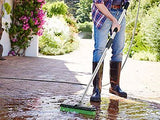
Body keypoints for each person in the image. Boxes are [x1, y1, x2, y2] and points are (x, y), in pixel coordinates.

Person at [90, 0, 128, 102]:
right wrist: (113, 20)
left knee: (118, 50)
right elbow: (98, 3)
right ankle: (96, 89)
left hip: (120, 12)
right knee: (100, 49)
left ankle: (114, 87)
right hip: (104, 13)